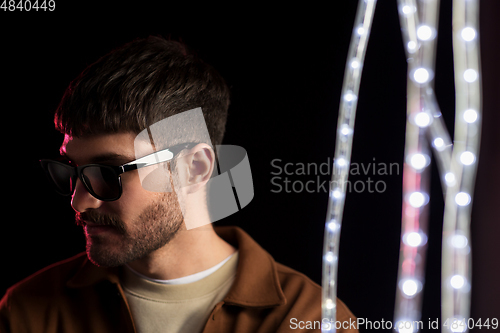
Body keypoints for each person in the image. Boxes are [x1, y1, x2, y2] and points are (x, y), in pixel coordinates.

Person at [0, 36, 358, 333]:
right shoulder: (29, 311)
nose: (80, 202)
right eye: (72, 170)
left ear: (195, 167)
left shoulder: (313, 320)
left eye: (108, 173)